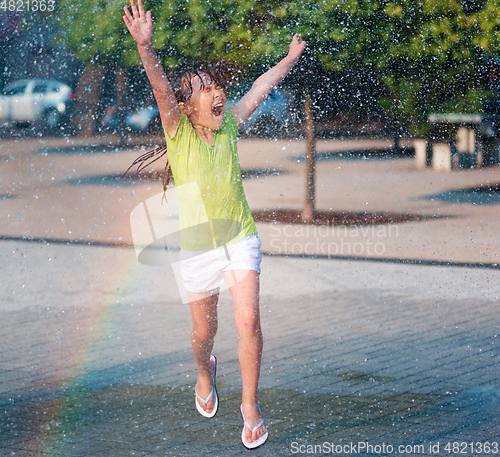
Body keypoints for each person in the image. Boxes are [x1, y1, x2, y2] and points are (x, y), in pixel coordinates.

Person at [123, 0, 306, 449]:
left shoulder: (229, 127)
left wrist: (287, 58)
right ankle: (205, 371)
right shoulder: (178, 130)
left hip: (240, 237)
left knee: (248, 321)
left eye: (214, 84)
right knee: (204, 334)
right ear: (187, 108)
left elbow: (261, 86)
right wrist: (146, 47)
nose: (214, 91)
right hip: (197, 250)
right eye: (201, 89)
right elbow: (162, 87)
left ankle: (249, 406)